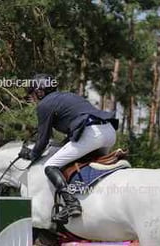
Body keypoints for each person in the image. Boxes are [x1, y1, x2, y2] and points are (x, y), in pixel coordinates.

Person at [18, 74, 119, 223]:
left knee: (50, 165)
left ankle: (72, 204)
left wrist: (32, 154)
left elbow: (43, 139)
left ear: (40, 91)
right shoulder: (67, 96)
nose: (32, 98)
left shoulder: (44, 105)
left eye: (32, 93)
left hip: (92, 135)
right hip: (109, 132)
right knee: (85, 162)